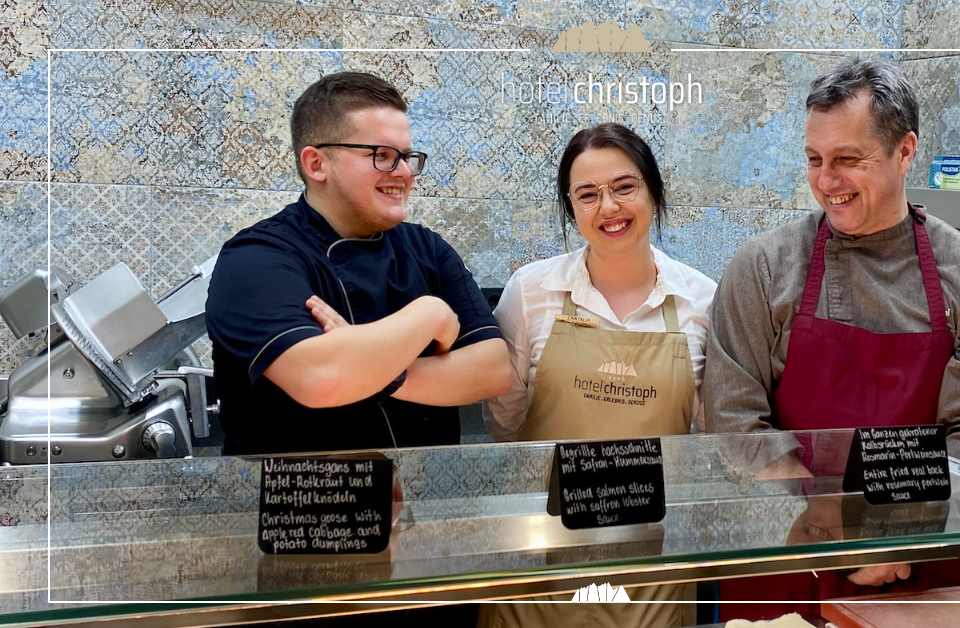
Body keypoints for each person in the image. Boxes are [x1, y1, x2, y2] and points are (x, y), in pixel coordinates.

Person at [704, 58, 960, 620]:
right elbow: (733, 421)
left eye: (848, 160)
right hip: (788, 558)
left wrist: (892, 537)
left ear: (905, 151)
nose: (827, 181)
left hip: (921, 565)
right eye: (814, 160)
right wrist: (834, 532)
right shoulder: (763, 267)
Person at [480, 123, 716, 627]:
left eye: (624, 188)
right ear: (571, 208)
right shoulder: (531, 291)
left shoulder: (701, 302)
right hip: (541, 554)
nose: (608, 208)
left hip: (652, 565)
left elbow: (703, 434)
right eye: (587, 195)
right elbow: (506, 420)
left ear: (654, 191)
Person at [206, 71, 510, 456]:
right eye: (381, 156)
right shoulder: (256, 258)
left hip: (421, 505)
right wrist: (429, 315)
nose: (402, 172)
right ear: (317, 164)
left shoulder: (426, 248)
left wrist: (380, 370)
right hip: (297, 506)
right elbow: (322, 379)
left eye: (406, 157)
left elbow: (494, 370)